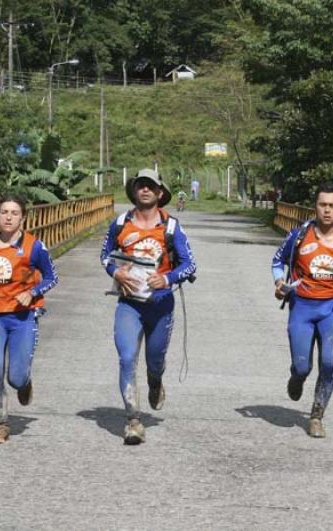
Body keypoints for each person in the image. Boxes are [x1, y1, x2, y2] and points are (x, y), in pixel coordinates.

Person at [100, 169, 196, 444]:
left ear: (160, 193)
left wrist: (166, 278)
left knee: (154, 362)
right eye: (140, 185)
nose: (145, 190)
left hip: (161, 305)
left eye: (151, 186)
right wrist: (114, 273)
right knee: (127, 358)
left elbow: (190, 264)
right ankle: (133, 420)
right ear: (134, 191)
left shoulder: (171, 227)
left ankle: (156, 382)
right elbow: (105, 255)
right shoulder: (120, 223)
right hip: (129, 304)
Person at [271, 182, 333, 438]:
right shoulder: (299, 235)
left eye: (332, 206)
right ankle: (297, 377)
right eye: (322, 204)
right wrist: (279, 281)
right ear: (315, 207)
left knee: (328, 363)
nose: (327, 210)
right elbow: (277, 260)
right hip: (301, 307)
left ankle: (317, 415)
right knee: (303, 366)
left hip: (330, 309)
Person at [0, 194, 59, 444]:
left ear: (23, 218)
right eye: (4, 212)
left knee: (15, 377)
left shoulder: (33, 246)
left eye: (14, 213)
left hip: (22, 318)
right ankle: (1, 424)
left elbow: (51, 278)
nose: (8, 217)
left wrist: (33, 292)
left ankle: (24, 382)